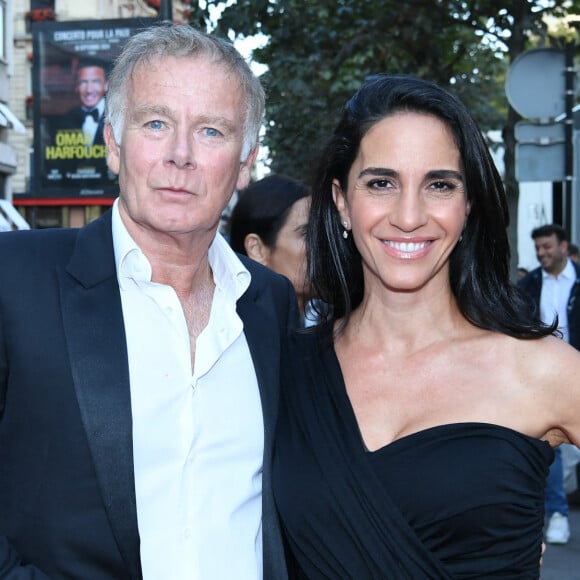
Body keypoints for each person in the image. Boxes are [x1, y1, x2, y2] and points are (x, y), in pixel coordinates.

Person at [0, 23, 295, 579]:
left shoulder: (269, 303)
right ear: (113, 142)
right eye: (155, 123)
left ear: (245, 158)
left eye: (211, 131)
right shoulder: (14, 281)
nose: (180, 155)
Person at [272, 74, 580, 578]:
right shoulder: (285, 367)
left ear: (468, 206)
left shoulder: (541, 370)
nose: (409, 216)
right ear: (343, 201)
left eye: (439, 185)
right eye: (381, 183)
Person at [518, 223, 580, 545]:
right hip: (544, 381)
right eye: (538, 248)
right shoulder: (527, 285)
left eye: (547, 247)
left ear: (564, 246)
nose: (542, 253)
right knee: (551, 448)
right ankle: (556, 513)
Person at [229, 174, 312, 322]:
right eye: (306, 234)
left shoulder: (330, 329)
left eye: (323, 233)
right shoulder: (234, 336)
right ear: (257, 249)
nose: (323, 245)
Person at [62, 59, 108, 147]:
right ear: (76, 86)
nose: (89, 90)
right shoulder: (66, 120)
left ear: (106, 85)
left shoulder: (116, 115)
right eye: (83, 82)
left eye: (95, 82)